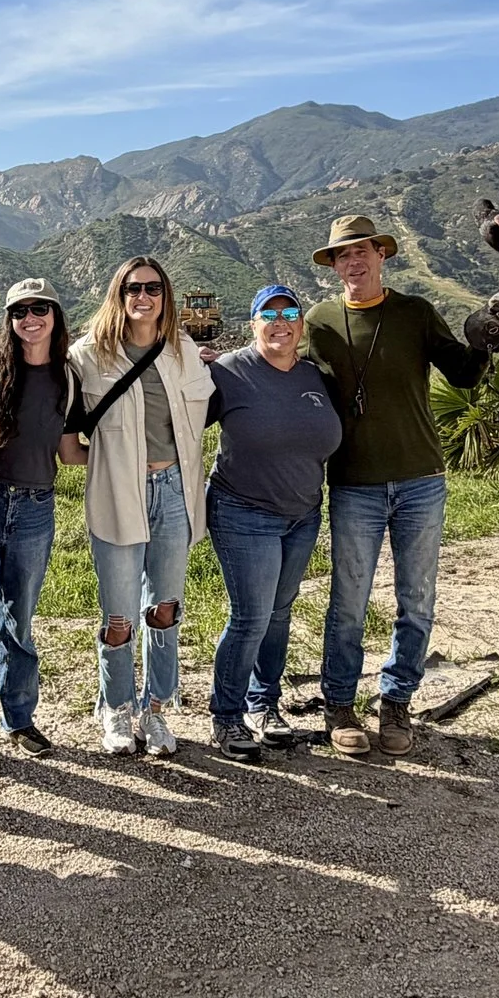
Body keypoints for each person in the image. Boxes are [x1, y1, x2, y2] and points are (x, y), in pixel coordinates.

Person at [301, 214, 499, 759]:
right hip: (354, 482)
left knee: (416, 599)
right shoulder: (319, 322)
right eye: (342, 255)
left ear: (382, 256)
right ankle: (341, 705)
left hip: (421, 478)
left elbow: (464, 374)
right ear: (334, 266)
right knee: (348, 601)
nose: (353, 261)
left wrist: (493, 334)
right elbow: (286, 375)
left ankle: (396, 701)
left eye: (362, 252)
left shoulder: (415, 312)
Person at [67, 256, 213, 759]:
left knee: (166, 607)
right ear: (119, 294)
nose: (142, 297)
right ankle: (115, 707)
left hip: (174, 488)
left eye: (153, 288)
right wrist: (106, 464)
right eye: (132, 288)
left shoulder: (183, 352)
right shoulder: (87, 357)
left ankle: (156, 708)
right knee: (120, 613)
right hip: (116, 492)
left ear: (165, 295)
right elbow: (63, 431)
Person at [203, 284, 342, 762]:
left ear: (301, 325)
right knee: (251, 616)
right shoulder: (227, 371)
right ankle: (226, 715)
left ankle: (265, 705)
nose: (280, 322)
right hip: (242, 510)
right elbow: (176, 415)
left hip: (302, 514)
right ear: (253, 323)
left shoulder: (315, 375)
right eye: (269, 313)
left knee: (279, 613)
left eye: (289, 313)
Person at [0, 278, 75, 778]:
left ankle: (18, 718)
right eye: (20, 310)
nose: (30, 317)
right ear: (9, 319)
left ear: (54, 314)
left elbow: (69, 447)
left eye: (40, 308)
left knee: (20, 623)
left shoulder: (69, 376)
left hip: (36, 508)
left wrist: (138, 460)